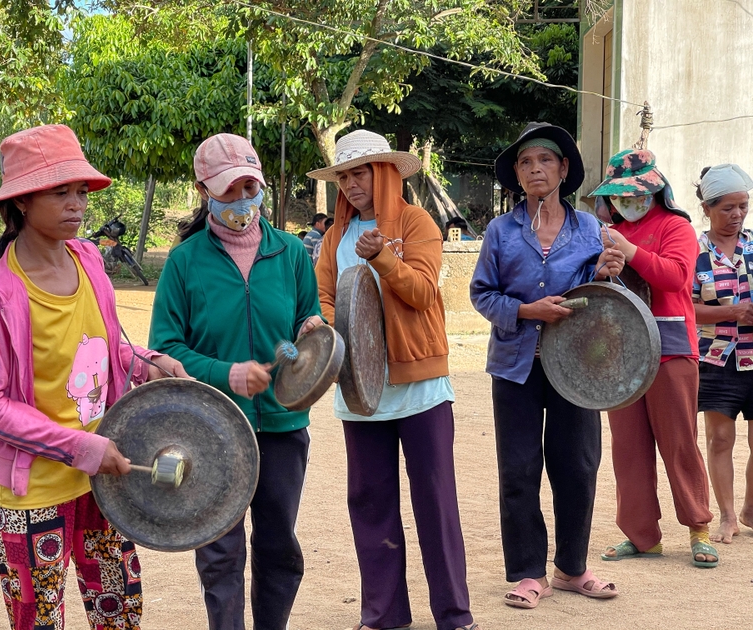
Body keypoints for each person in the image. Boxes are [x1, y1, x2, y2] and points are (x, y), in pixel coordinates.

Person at [0, 124, 188, 630]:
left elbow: (105, 344)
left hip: (104, 481)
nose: (77, 204)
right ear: (20, 202)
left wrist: (145, 362)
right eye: (59, 191)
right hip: (29, 494)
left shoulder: (88, 260)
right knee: (39, 622)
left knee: (120, 611)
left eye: (81, 190)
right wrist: (79, 449)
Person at [148, 133, 323, 630]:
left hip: (283, 425)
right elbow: (165, 348)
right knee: (220, 551)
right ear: (204, 190)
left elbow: (300, 327)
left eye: (251, 186)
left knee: (277, 544)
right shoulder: (184, 263)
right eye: (229, 190)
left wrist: (308, 334)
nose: (243, 200)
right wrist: (226, 374)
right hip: (211, 428)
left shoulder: (291, 254)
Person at [309, 129, 478, 630]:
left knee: (436, 501)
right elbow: (323, 296)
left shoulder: (416, 220)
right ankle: (382, 616)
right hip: (360, 389)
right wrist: (320, 323)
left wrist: (383, 255)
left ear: (384, 172)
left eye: (360, 172)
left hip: (419, 388)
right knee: (369, 501)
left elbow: (424, 293)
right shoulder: (334, 237)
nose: (351, 183)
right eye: (344, 175)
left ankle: (454, 615)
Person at [470, 122, 621, 609]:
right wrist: (527, 311)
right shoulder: (500, 230)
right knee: (518, 469)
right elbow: (482, 294)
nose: (536, 169)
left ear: (563, 170)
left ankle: (572, 569)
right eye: (526, 162)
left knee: (577, 465)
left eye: (545, 161)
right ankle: (528, 573)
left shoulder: (591, 230)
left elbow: (606, 302)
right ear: (516, 173)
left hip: (576, 367)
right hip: (515, 366)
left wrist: (606, 275)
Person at [590, 148, 718, 567]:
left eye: (634, 193)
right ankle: (642, 536)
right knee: (628, 447)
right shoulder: (607, 231)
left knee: (679, 442)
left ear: (656, 189)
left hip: (672, 347)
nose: (625, 202)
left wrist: (628, 249)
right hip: (621, 352)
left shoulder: (675, 225)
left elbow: (677, 277)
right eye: (618, 196)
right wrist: (602, 268)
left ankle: (699, 528)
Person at [691, 164, 753, 543]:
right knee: (720, 439)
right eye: (727, 208)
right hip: (715, 358)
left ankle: (750, 508)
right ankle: (727, 516)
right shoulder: (695, 252)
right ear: (707, 208)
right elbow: (685, 306)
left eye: (743, 207)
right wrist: (732, 312)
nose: (736, 215)